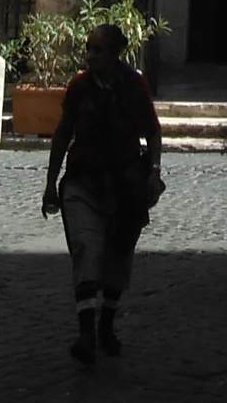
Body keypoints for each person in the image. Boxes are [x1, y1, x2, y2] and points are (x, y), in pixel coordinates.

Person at [41, 23, 163, 364]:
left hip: (125, 185)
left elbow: (153, 133)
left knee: (118, 256)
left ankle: (106, 326)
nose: (90, 56)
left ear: (114, 54)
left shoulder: (133, 86)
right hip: (83, 181)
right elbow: (63, 135)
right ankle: (85, 332)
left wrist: (153, 173)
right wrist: (51, 183)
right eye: (89, 49)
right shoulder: (79, 87)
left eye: (98, 50)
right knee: (86, 247)